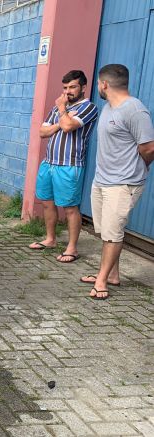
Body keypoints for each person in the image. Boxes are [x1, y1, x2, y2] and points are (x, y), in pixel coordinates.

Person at [80, 64, 154, 300]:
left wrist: (141, 167)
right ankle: (112, 274)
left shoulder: (134, 110)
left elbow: (149, 147)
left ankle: (102, 280)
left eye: (98, 84)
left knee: (113, 234)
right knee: (106, 231)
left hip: (123, 184)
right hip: (102, 180)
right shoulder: (108, 108)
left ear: (104, 84)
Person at [29, 70, 98, 263]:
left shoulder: (88, 107)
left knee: (69, 208)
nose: (68, 91)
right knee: (47, 202)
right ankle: (50, 239)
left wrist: (61, 113)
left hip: (69, 165)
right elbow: (43, 132)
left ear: (83, 87)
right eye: (65, 87)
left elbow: (69, 126)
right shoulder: (61, 107)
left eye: (72, 87)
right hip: (49, 163)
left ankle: (72, 248)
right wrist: (61, 119)